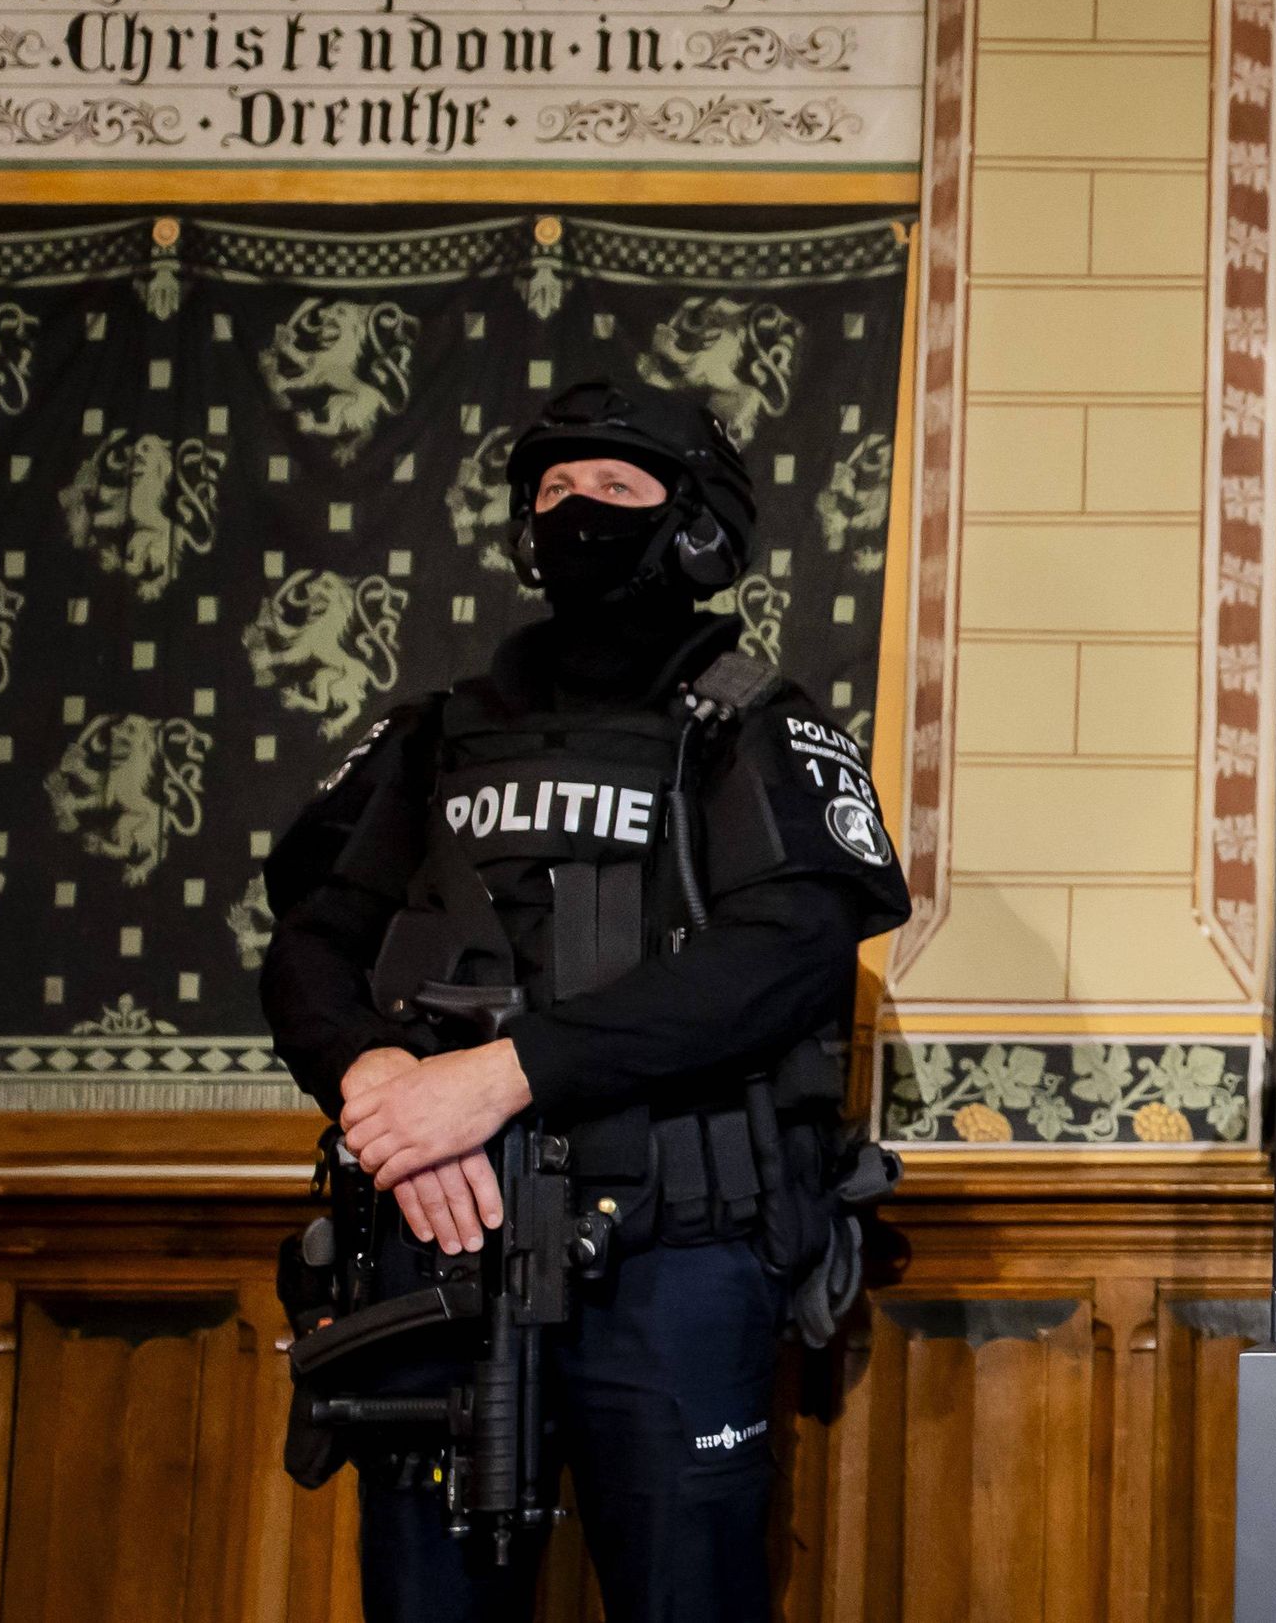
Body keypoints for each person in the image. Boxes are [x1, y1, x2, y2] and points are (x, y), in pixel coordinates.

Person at [260, 381, 910, 1622]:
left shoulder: (746, 724)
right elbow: (311, 946)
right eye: (554, 491)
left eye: (617, 488)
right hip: (433, 1234)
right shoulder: (436, 735)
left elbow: (788, 951)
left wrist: (504, 1076)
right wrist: (379, 1086)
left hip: (673, 1240)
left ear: (700, 525)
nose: (576, 511)